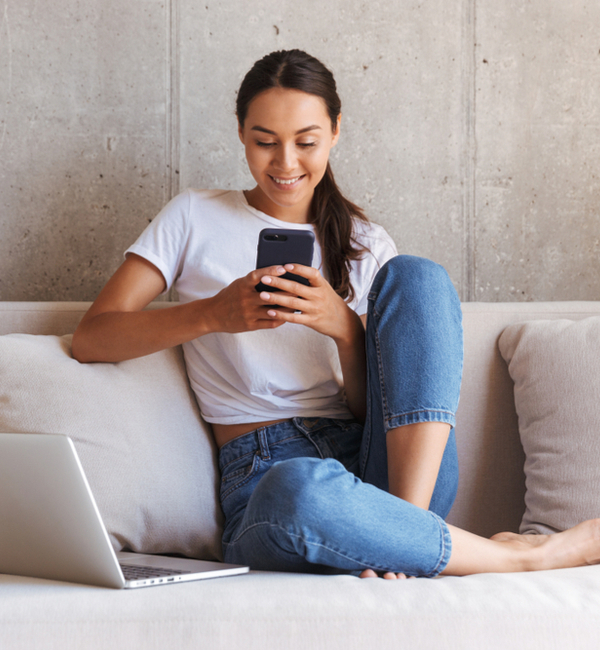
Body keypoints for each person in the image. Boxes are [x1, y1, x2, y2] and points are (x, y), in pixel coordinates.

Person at [72, 49, 600, 579]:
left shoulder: (368, 243)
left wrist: (345, 329)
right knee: (298, 488)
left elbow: (384, 407)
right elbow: (92, 338)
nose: (284, 163)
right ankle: (512, 554)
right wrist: (213, 313)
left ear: (335, 131)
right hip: (269, 480)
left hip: (390, 472)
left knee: (419, 276)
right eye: (264, 142)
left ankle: (399, 534)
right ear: (239, 132)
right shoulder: (193, 216)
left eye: (306, 142)